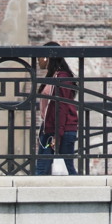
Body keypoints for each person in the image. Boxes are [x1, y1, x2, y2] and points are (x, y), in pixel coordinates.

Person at [36, 41, 78, 175]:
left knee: (66, 168)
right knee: (42, 169)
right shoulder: (53, 76)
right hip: (50, 129)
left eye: (39, 57)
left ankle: (82, 193)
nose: (38, 61)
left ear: (46, 57)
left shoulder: (63, 78)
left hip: (61, 131)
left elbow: (62, 107)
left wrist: (57, 135)